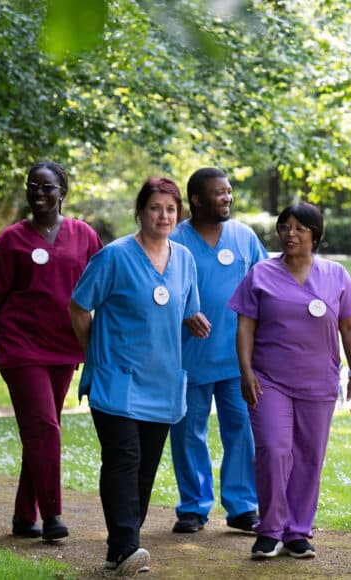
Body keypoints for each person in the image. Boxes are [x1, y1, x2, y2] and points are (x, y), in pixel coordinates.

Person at [0, 161, 103, 541]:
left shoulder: (84, 235)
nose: (38, 192)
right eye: (32, 185)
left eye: (47, 187)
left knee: (41, 432)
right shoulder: (12, 239)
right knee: (45, 428)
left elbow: (105, 286)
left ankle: (23, 515)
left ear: (62, 192)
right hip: (20, 348)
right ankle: (52, 516)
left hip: (65, 346)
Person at [69, 177, 210, 576]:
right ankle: (128, 544)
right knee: (123, 459)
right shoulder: (113, 257)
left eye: (170, 209)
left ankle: (120, 550)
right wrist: (92, 351)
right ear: (140, 212)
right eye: (155, 208)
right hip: (117, 378)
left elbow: (180, 303)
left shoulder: (184, 258)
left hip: (163, 380)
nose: (163, 215)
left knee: (146, 467)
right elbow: (79, 306)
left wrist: (192, 318)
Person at [229, 202, 351, 560]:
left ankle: (297, 532)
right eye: (285, 227)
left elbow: (349, 328)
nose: (290, 234)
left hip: (318, 382)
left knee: (308, 457)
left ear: (315, 235)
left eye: (299, 228)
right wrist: (245, 370)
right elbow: (245, 326)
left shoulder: (336, 275)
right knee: (274, 449)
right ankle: (270, 530)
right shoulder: (261, 274)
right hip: (268, 380)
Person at [168, 168, 267, 534]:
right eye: (218, 193)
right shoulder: (175, 241)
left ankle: (242, 506)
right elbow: (160, 292)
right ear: (196, 199)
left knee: (241, 429)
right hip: (189, 359)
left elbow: (265, 285)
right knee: (188, 432)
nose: (227, 198)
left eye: (228, 192)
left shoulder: (243, 236)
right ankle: (193, 506)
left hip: (237, 360)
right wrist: (184, 313)